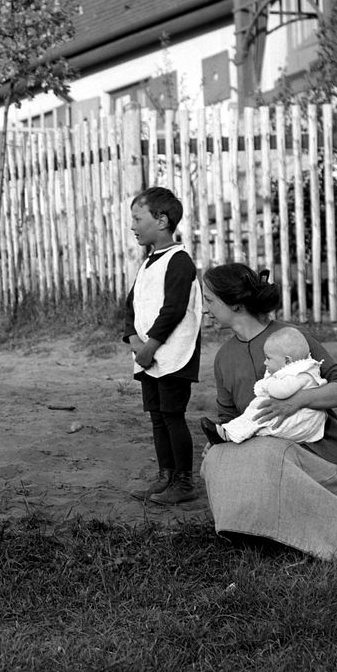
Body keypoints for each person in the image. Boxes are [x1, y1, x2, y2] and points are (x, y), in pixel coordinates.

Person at [197, 263, 337, 559]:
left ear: (235, 303)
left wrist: (296, 401)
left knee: (266, 455)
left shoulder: (289, 338)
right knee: (215, 459)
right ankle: (249, 530)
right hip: (265, 447)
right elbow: (229, 418)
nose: (204, 308)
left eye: (208, 300)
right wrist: (219, 439)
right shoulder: (224, 357)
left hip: (316, 451)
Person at [120, 186, 202, 506]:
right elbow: (132, 305)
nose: (133, 226)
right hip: (146, 354)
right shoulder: (147, 264)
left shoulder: (179, 262)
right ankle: (165, 476)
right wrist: (134, 340)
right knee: (157, 417)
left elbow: (174, 310)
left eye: (138, 219)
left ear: (162, 220)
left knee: (172, 415)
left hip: (172, 355)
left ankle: (184, 482)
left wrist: (150, 346)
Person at [200, 326, 328, 445]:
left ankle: (231, 435)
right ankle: (230, 432)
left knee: (259, 417)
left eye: (268, 358)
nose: (265, 362)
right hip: (295, 418)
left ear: (287, 360)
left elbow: (282, 391)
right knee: (257, 412)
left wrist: (267, 384)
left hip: (299, 422)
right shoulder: (298, 370)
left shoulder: (302, 374)